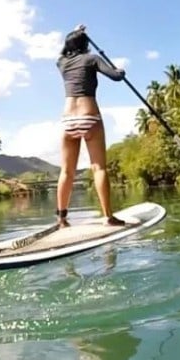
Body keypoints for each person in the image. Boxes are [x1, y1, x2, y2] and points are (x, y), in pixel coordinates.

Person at [54, 25, 127, 228]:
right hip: (89, 117)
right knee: (99, 168)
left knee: (67, 171)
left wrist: (74, 32)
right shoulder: (92, 59)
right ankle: (108, 217)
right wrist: (120, 72)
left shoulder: (61, 63)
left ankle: (61, 218)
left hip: (68, 120)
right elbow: (115, 76)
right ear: (85, 44)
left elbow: (64, 50)